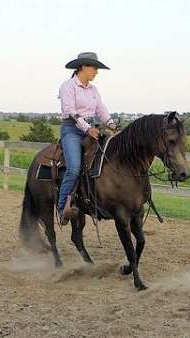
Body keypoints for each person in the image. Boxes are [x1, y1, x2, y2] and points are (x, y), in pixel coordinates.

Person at [57, 52, 117, 225]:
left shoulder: (93, 90)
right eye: (94, 67)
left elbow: (102, 111)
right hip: (72, 130)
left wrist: (113, 126)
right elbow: (71, 112)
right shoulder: (68, 86)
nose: (96, 72)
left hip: (92, 129)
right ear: (83, 67)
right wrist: (88, 128)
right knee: (74, 168)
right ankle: (62, 209)